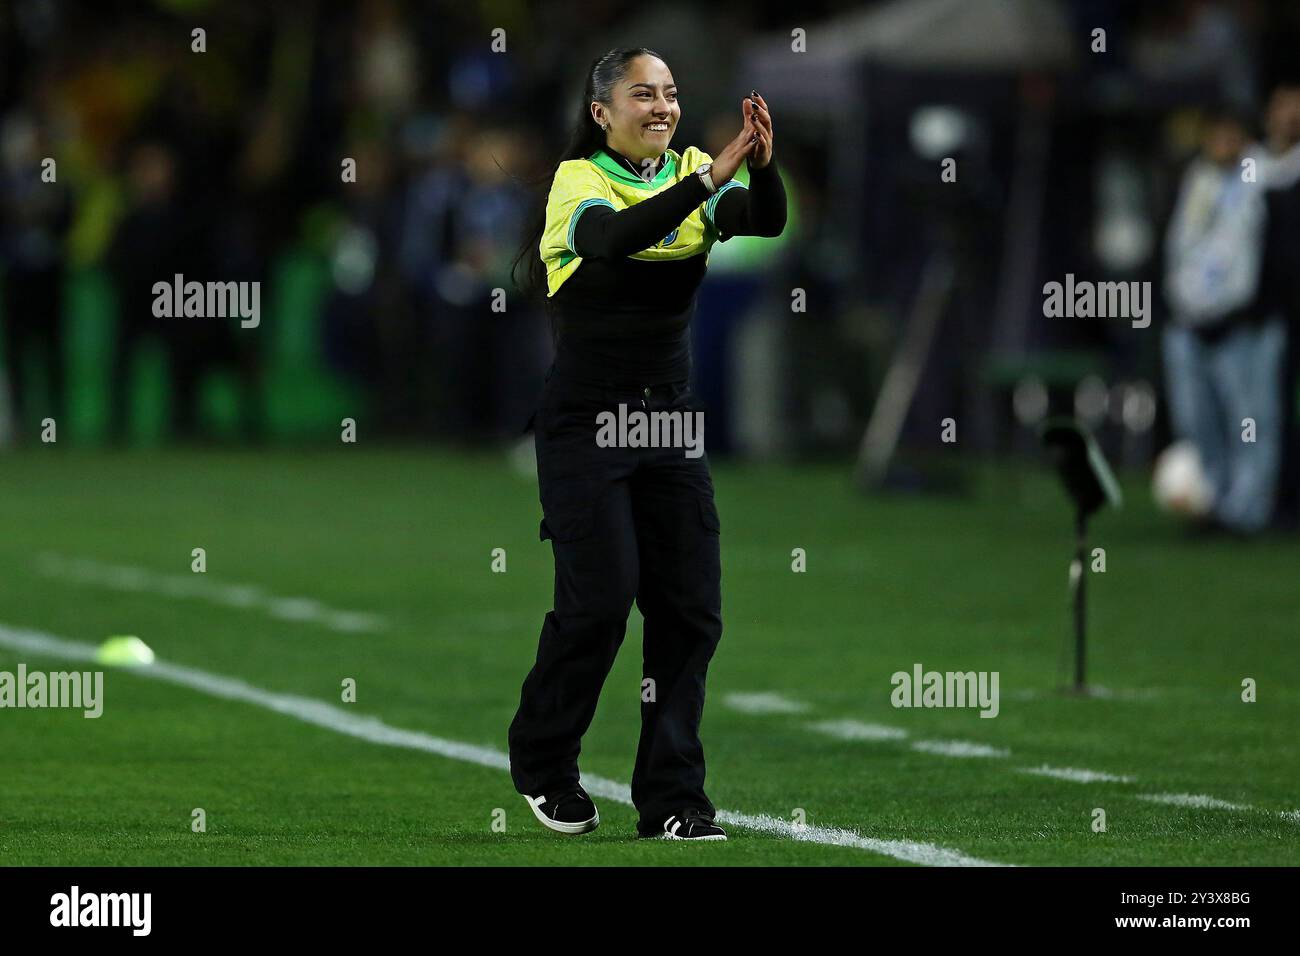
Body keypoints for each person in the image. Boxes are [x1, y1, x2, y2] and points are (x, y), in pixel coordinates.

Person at [507, 47, 785, 840]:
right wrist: (706, 181)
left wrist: (759, 170)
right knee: (599, 604)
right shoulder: (580, 183)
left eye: (669, 93)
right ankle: (543, 761)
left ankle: (672, 799)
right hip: (587, 421)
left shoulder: (696, 170)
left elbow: (763, 219)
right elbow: (612, 242)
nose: (662, 106)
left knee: (690, 609)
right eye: (642, 94)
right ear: (602, 113)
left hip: (668, 421)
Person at [1162, 104, 1285, 535]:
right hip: (1190, 319)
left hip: (1244, 323)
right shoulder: (1195, 180)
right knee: (1198, 418)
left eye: (1232, 137)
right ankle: (1210, 501)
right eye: (1217, 136)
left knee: (1249, 421)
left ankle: (1247, 511)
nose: (1223, 145)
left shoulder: (1262, 179)